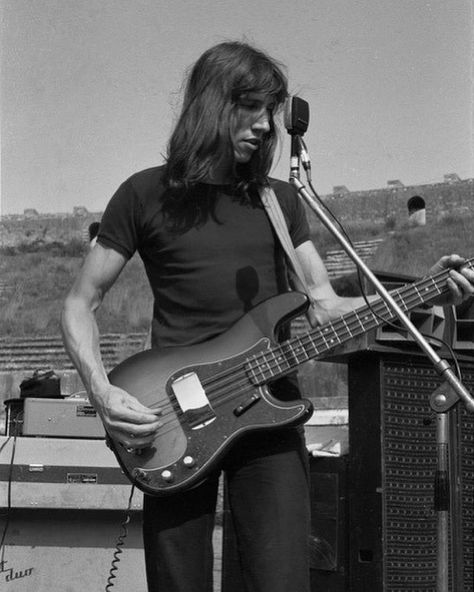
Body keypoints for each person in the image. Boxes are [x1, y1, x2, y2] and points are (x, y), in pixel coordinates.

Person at [61, 41, 474, 592]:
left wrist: (429, 290)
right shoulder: (143, 194)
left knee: (281, 580)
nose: (264, 126)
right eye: (251, 108)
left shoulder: (279, 198)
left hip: (267, 412)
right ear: (212, 104)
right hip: (172, 416)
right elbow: (79, 304)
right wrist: (102, 391)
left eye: (271, 112)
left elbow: (325, 308)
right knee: (178, 580)